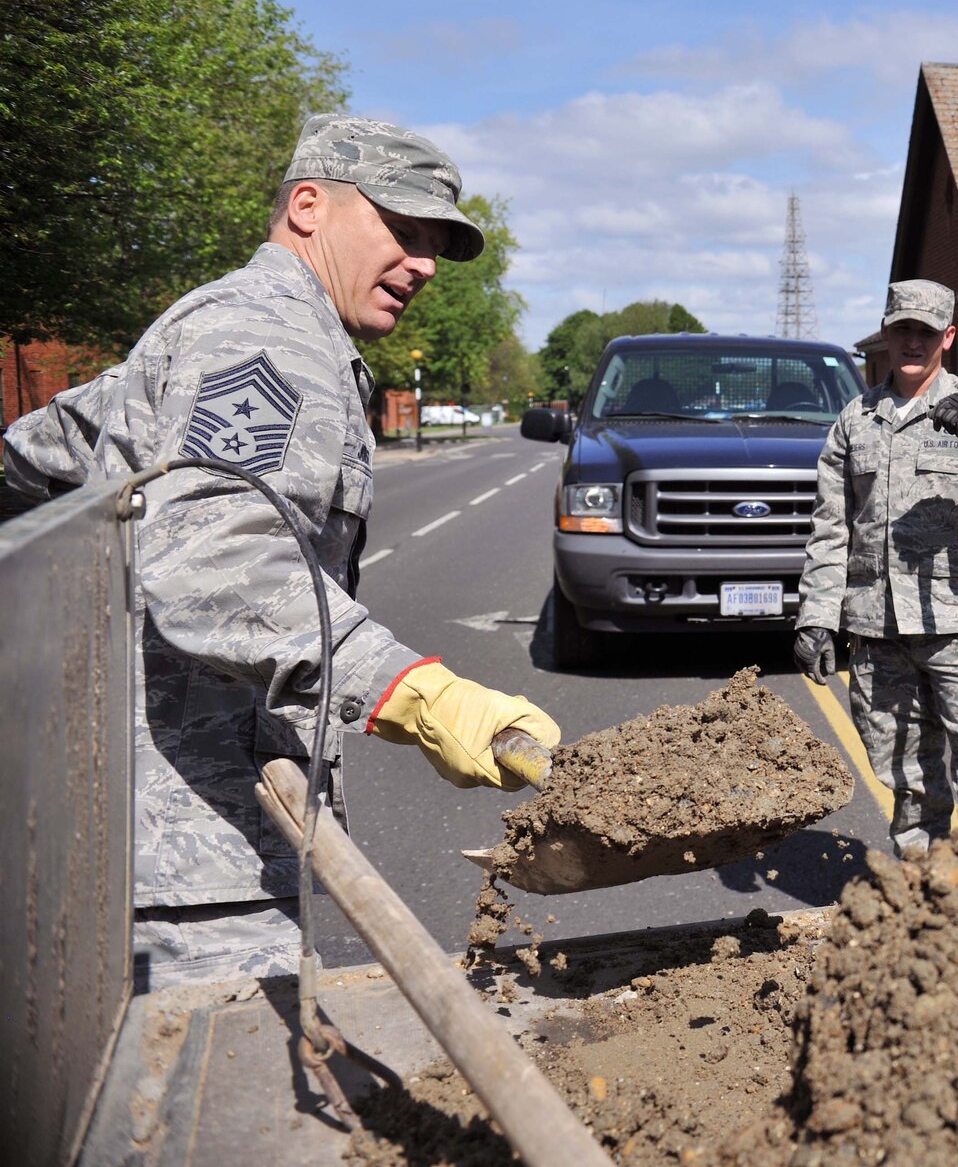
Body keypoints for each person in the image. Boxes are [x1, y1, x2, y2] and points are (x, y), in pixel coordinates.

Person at [2, 114, 558, 989]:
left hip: (155, 828)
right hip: (197, 846)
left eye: (434, 248)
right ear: (308, 206)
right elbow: (214, 556)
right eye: (404, 232)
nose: (423, 265)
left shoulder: (227, 323)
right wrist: (414, 690)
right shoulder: (268, 334)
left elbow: (43, 449)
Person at [795, 280, 958, 857]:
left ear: (948, 337)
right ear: (886, 334)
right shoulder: (854, 421)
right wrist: (816, 617)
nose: (912, 341)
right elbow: (831, 528)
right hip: (877, 631)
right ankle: (926, 881)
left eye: (926, 332)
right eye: (902, 329)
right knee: (904, 772)